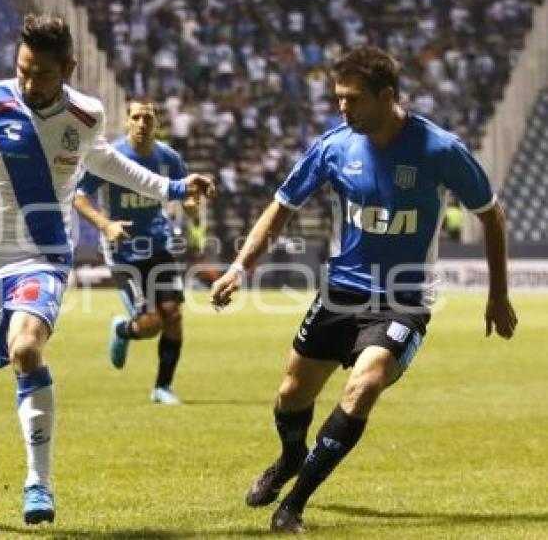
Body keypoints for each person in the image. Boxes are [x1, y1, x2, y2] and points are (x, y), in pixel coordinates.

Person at [0, 13, 214, 530]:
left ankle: (38, 481)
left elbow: (109, 163)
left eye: (41, 74)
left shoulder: (85, 114)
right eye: (22, 70)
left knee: (25, 348)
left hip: (43, 255)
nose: (28, 82)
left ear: (67, 68)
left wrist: (175, 189)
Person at [210, 46, 517, 534]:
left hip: (404, 298)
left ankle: (293, 505)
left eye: (352, 99)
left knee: (365, 384)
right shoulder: (334, 146)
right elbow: (282, 206)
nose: (341, 108)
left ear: (386, 95)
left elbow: (491, 214)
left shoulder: (439, 150)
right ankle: (291, 457)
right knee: (291, 395)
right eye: (337, 98)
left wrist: (497, 294)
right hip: (340, 292)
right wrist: (240, 267)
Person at [74, 98, 196, 405]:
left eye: (148, 118)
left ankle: (162, 388)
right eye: (137, 117)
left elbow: (186, 192)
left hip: (159, 244)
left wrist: (192, 205)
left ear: (156, 123)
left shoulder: (168, 157)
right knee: (151, 323)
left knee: (173, 315)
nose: (143, 123)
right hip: (123, 249)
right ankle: (123, 329)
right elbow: (79, 196)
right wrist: (105, 225)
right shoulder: (111, 157)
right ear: (127, 121)